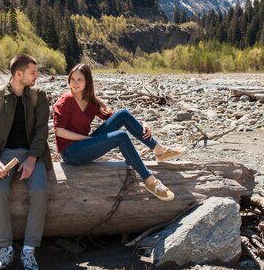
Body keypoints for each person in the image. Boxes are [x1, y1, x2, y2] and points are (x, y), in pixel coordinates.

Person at [53, 63, 184, 201]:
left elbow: (113, 118)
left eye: (80, 79)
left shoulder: (90, 101)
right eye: (72, 79)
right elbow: (59, 131)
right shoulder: (66, 99)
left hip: (85, 143)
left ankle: (159, 150)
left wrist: (142, 124)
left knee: (123, 114)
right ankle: (150, 180)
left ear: (87, 81)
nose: (75, 83)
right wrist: (85, 139)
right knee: (121, 136)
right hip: (71, 153)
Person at [0, 54, 51, 270]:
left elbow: (42, 131)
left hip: (33, 154)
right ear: (18, 74)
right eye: (33, 72)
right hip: (4, 155)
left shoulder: (39, 96)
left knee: (40, 190)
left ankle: (29, 250)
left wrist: (32, 159)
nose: (37, 76)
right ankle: (5, 249)